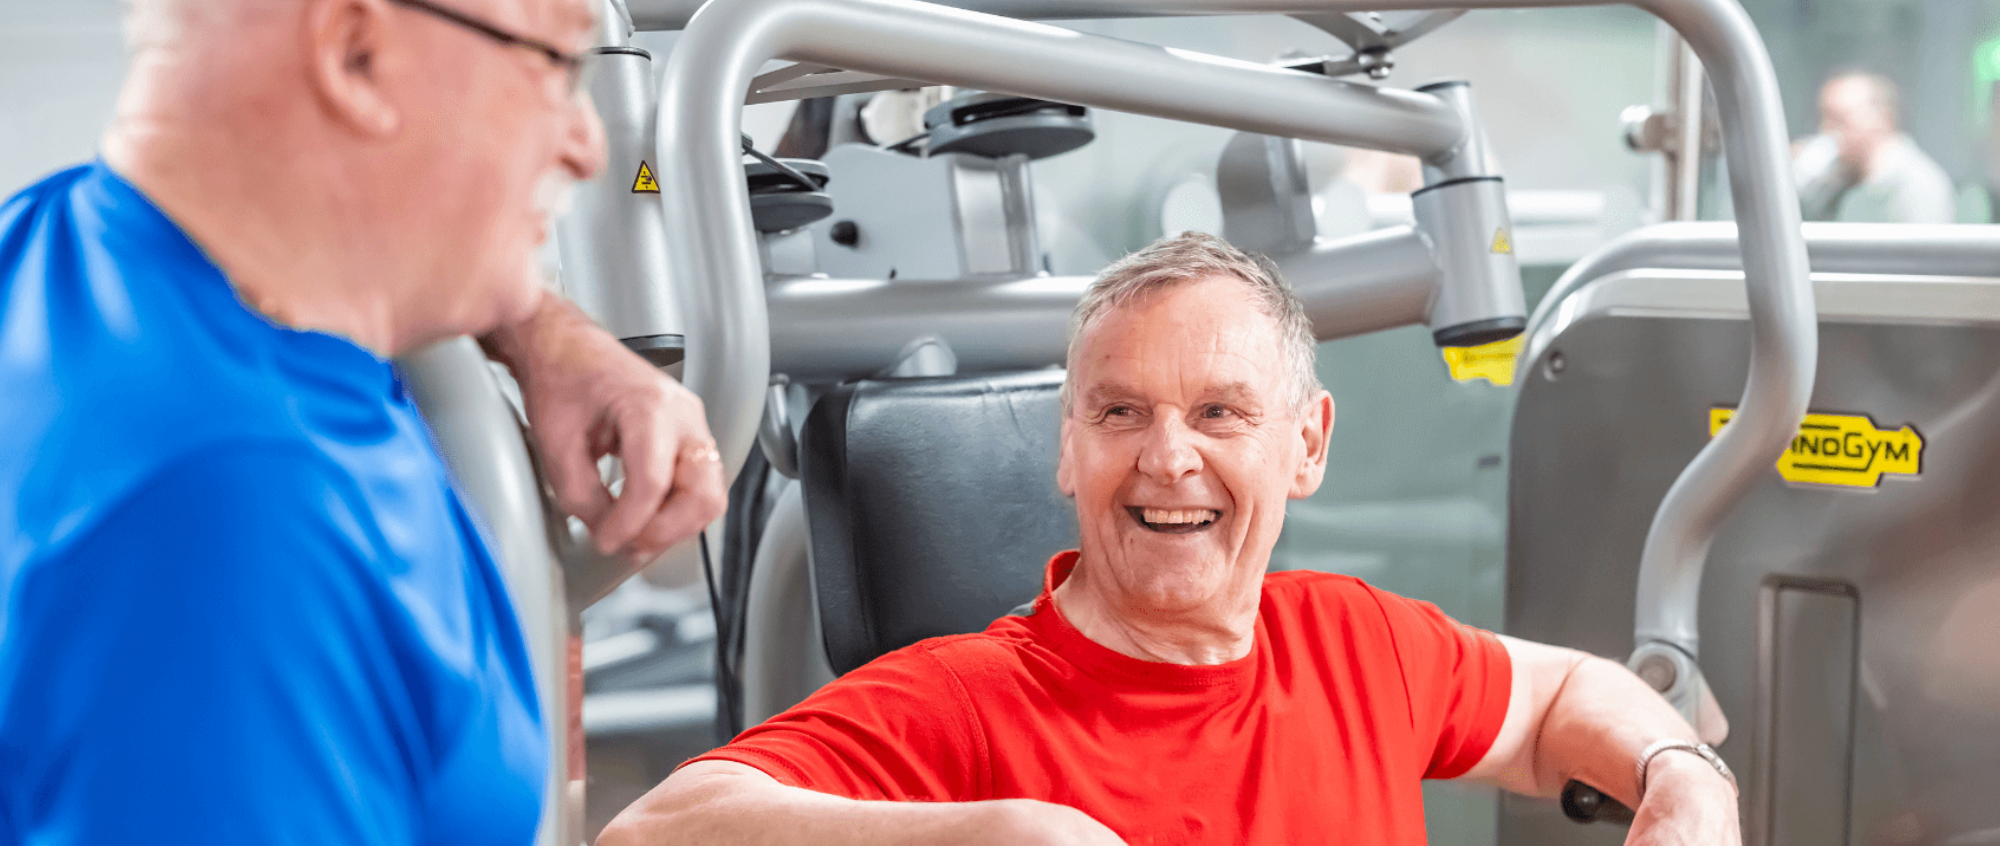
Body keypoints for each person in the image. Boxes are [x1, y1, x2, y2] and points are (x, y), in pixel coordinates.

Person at [598, 232, 1741, 846]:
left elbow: (1553, 705)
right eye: (1119, 412)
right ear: (1066, 449)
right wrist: (985, 838)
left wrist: (1681, 776)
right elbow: (650, 836)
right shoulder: (962, 705)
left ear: (1306, 445)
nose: (1166, 456)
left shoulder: (1354, 642)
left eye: (1218, 413)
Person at [0, 0, 726, 843]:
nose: (587, 143)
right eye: (556, 68)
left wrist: (541, 329)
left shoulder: (54, 243)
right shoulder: (238, 524)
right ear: (353, 54)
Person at [1794, 71, 1955, 224]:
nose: (1828, 132)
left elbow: (1925, 250)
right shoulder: (1833, 178)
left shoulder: (1920, 186)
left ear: (1881, 118)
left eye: (1839, 120)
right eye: (1824, 119)